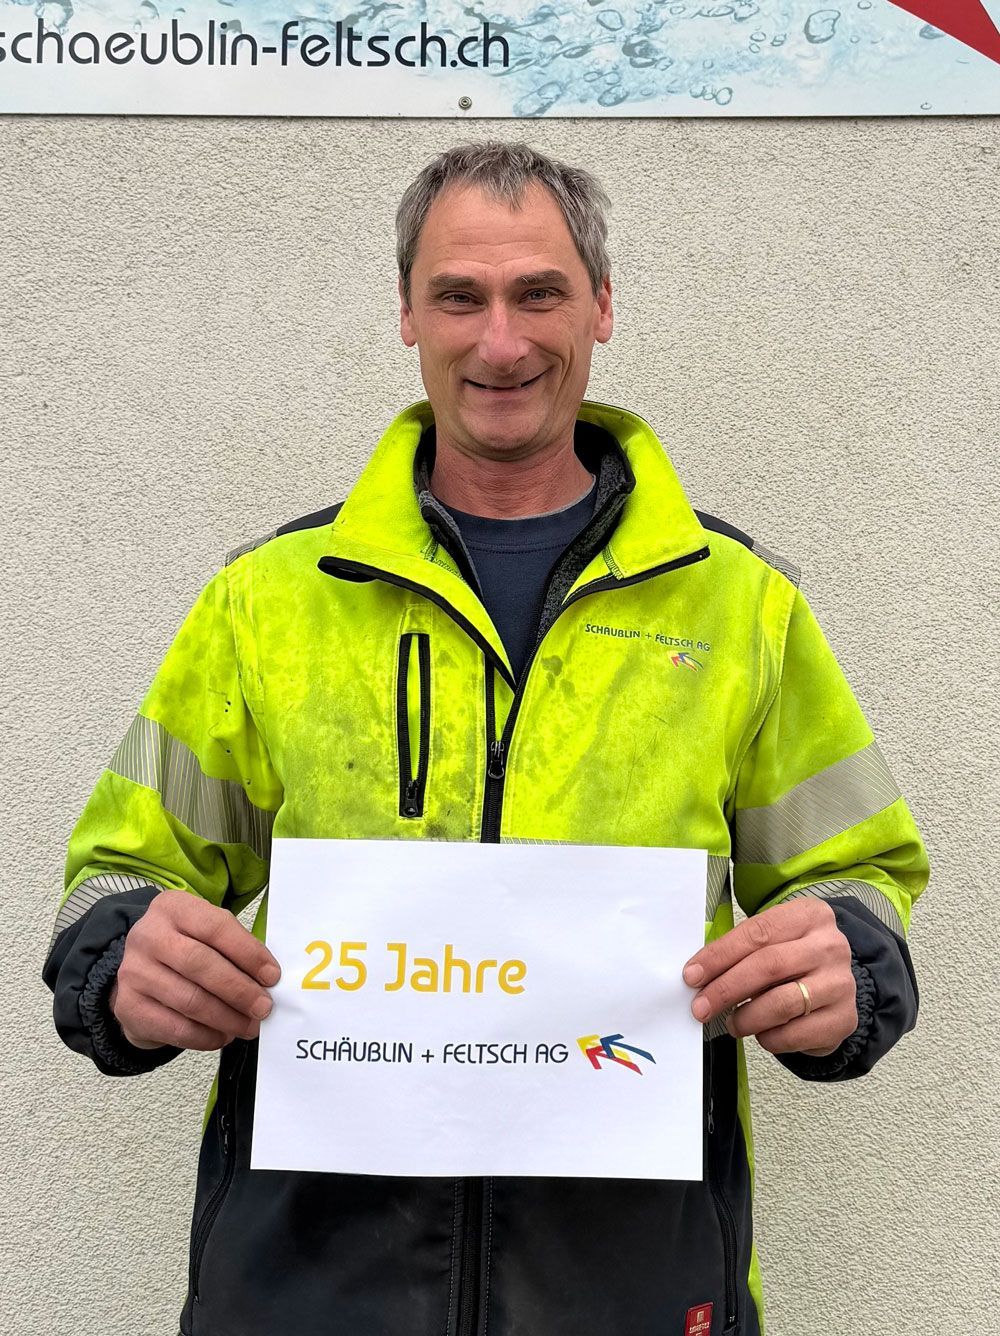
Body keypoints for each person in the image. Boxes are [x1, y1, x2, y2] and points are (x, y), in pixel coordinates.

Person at [43, 141, 927, 1336]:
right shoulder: (270, 599)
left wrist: (845, 962)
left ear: (601, 305)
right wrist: (124, 960)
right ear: (407, 313)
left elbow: (854, 870)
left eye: (538, 294)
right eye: (459, 296)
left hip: (632, 1287)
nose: (501, 342)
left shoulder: (739, 605)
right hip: (302, 1292)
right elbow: (119, 869)